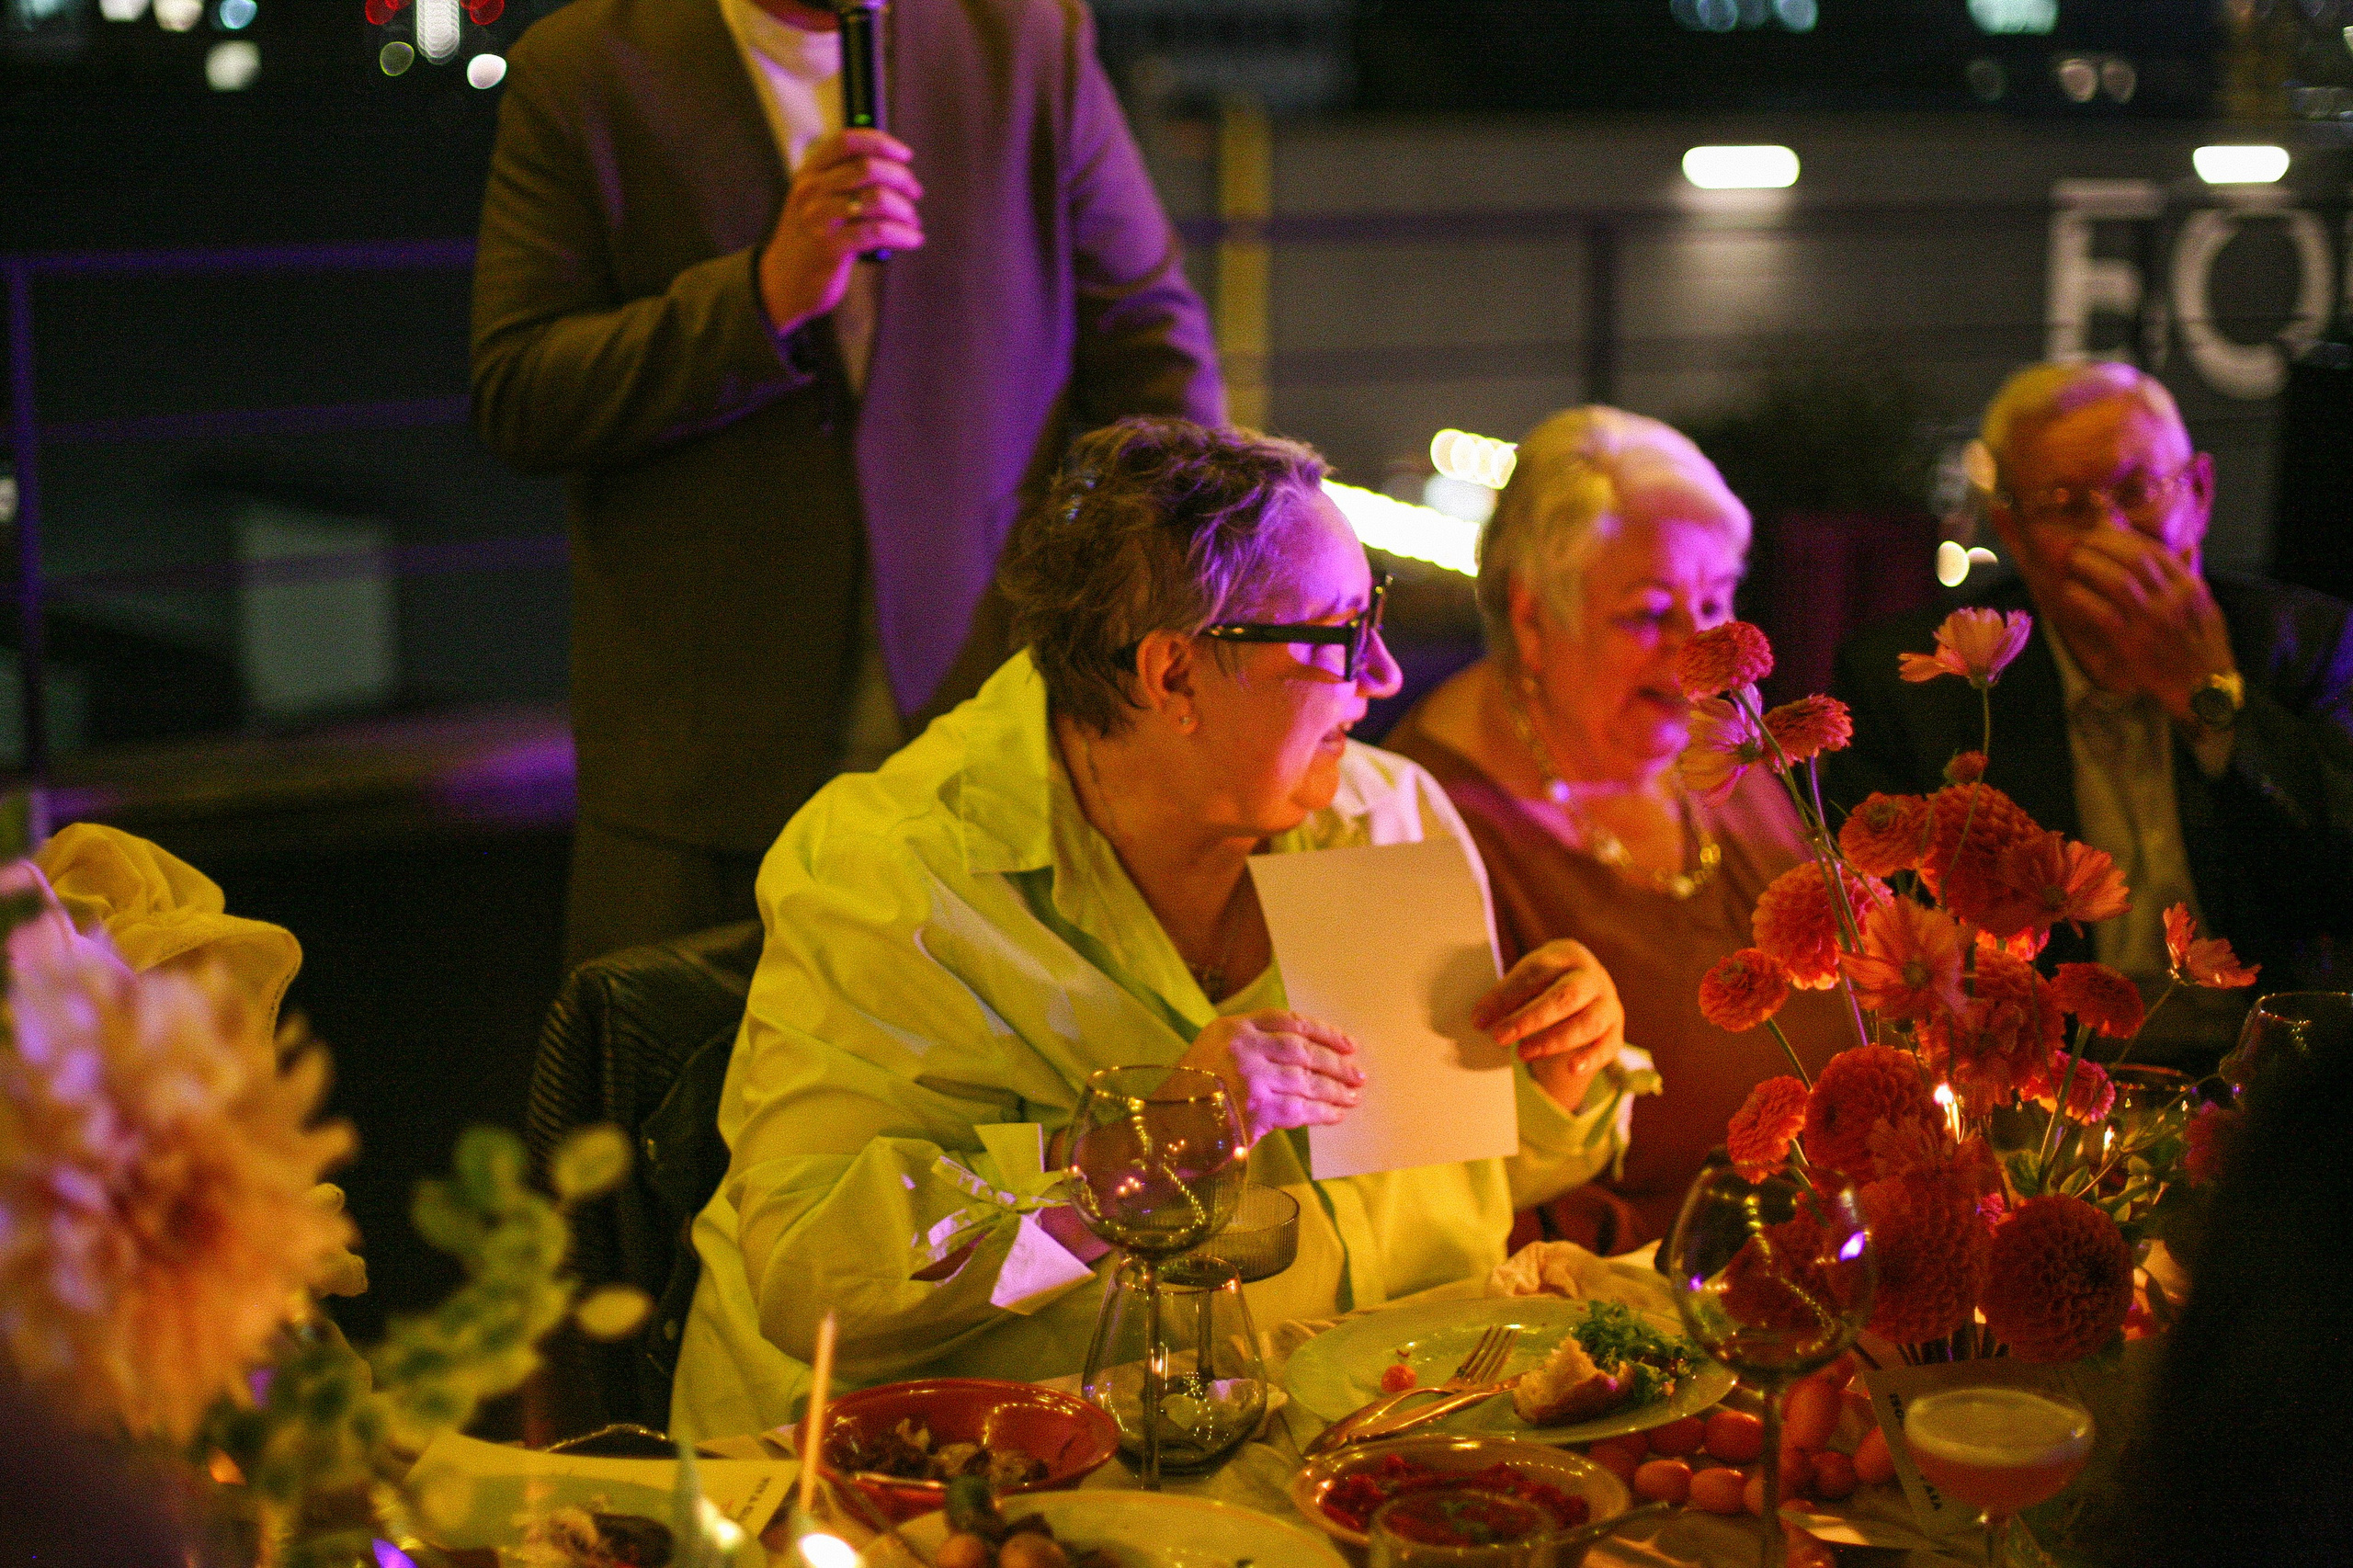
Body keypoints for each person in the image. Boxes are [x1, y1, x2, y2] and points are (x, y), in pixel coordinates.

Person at [671, 419, 1652, 1437]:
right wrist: (1132, 1154)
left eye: (1379, 618)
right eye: (1338, 633)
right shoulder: (899, 870)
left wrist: (1551, 1077)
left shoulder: (1383, 816)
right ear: (1173, 674)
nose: (1384, 674)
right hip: (958, 1477)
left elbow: (1443, 1185)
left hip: (1348, 1436)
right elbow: (811, 1274)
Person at [471, 0, 1222, 968]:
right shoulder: (586, 63)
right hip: (704, 742)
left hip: (979, 700)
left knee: (972, 1098)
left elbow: (1153, 353)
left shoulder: (1020, 37)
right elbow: (520, 393)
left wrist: (1197, 597)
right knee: (683, 1100)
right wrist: (763, 298)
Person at [1382, 407, 1852, 1247]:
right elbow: (1445, 1196)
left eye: (1715, 600)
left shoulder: (1722, 750)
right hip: (1627, 1311)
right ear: (1532, 620)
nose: (1701, 648)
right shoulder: (1417, 822)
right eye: (1646, 615)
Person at [1829, 361, 2353, 1051]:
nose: (2112, 534)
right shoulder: (1924, 682)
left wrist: (2207, 694)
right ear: (2013, 530)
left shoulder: (2307, 643)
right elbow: (1883, 940)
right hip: (2038, 1075)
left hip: (2270, 1074)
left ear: (2197, 493)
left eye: (2138, 492)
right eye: (2067, 504)